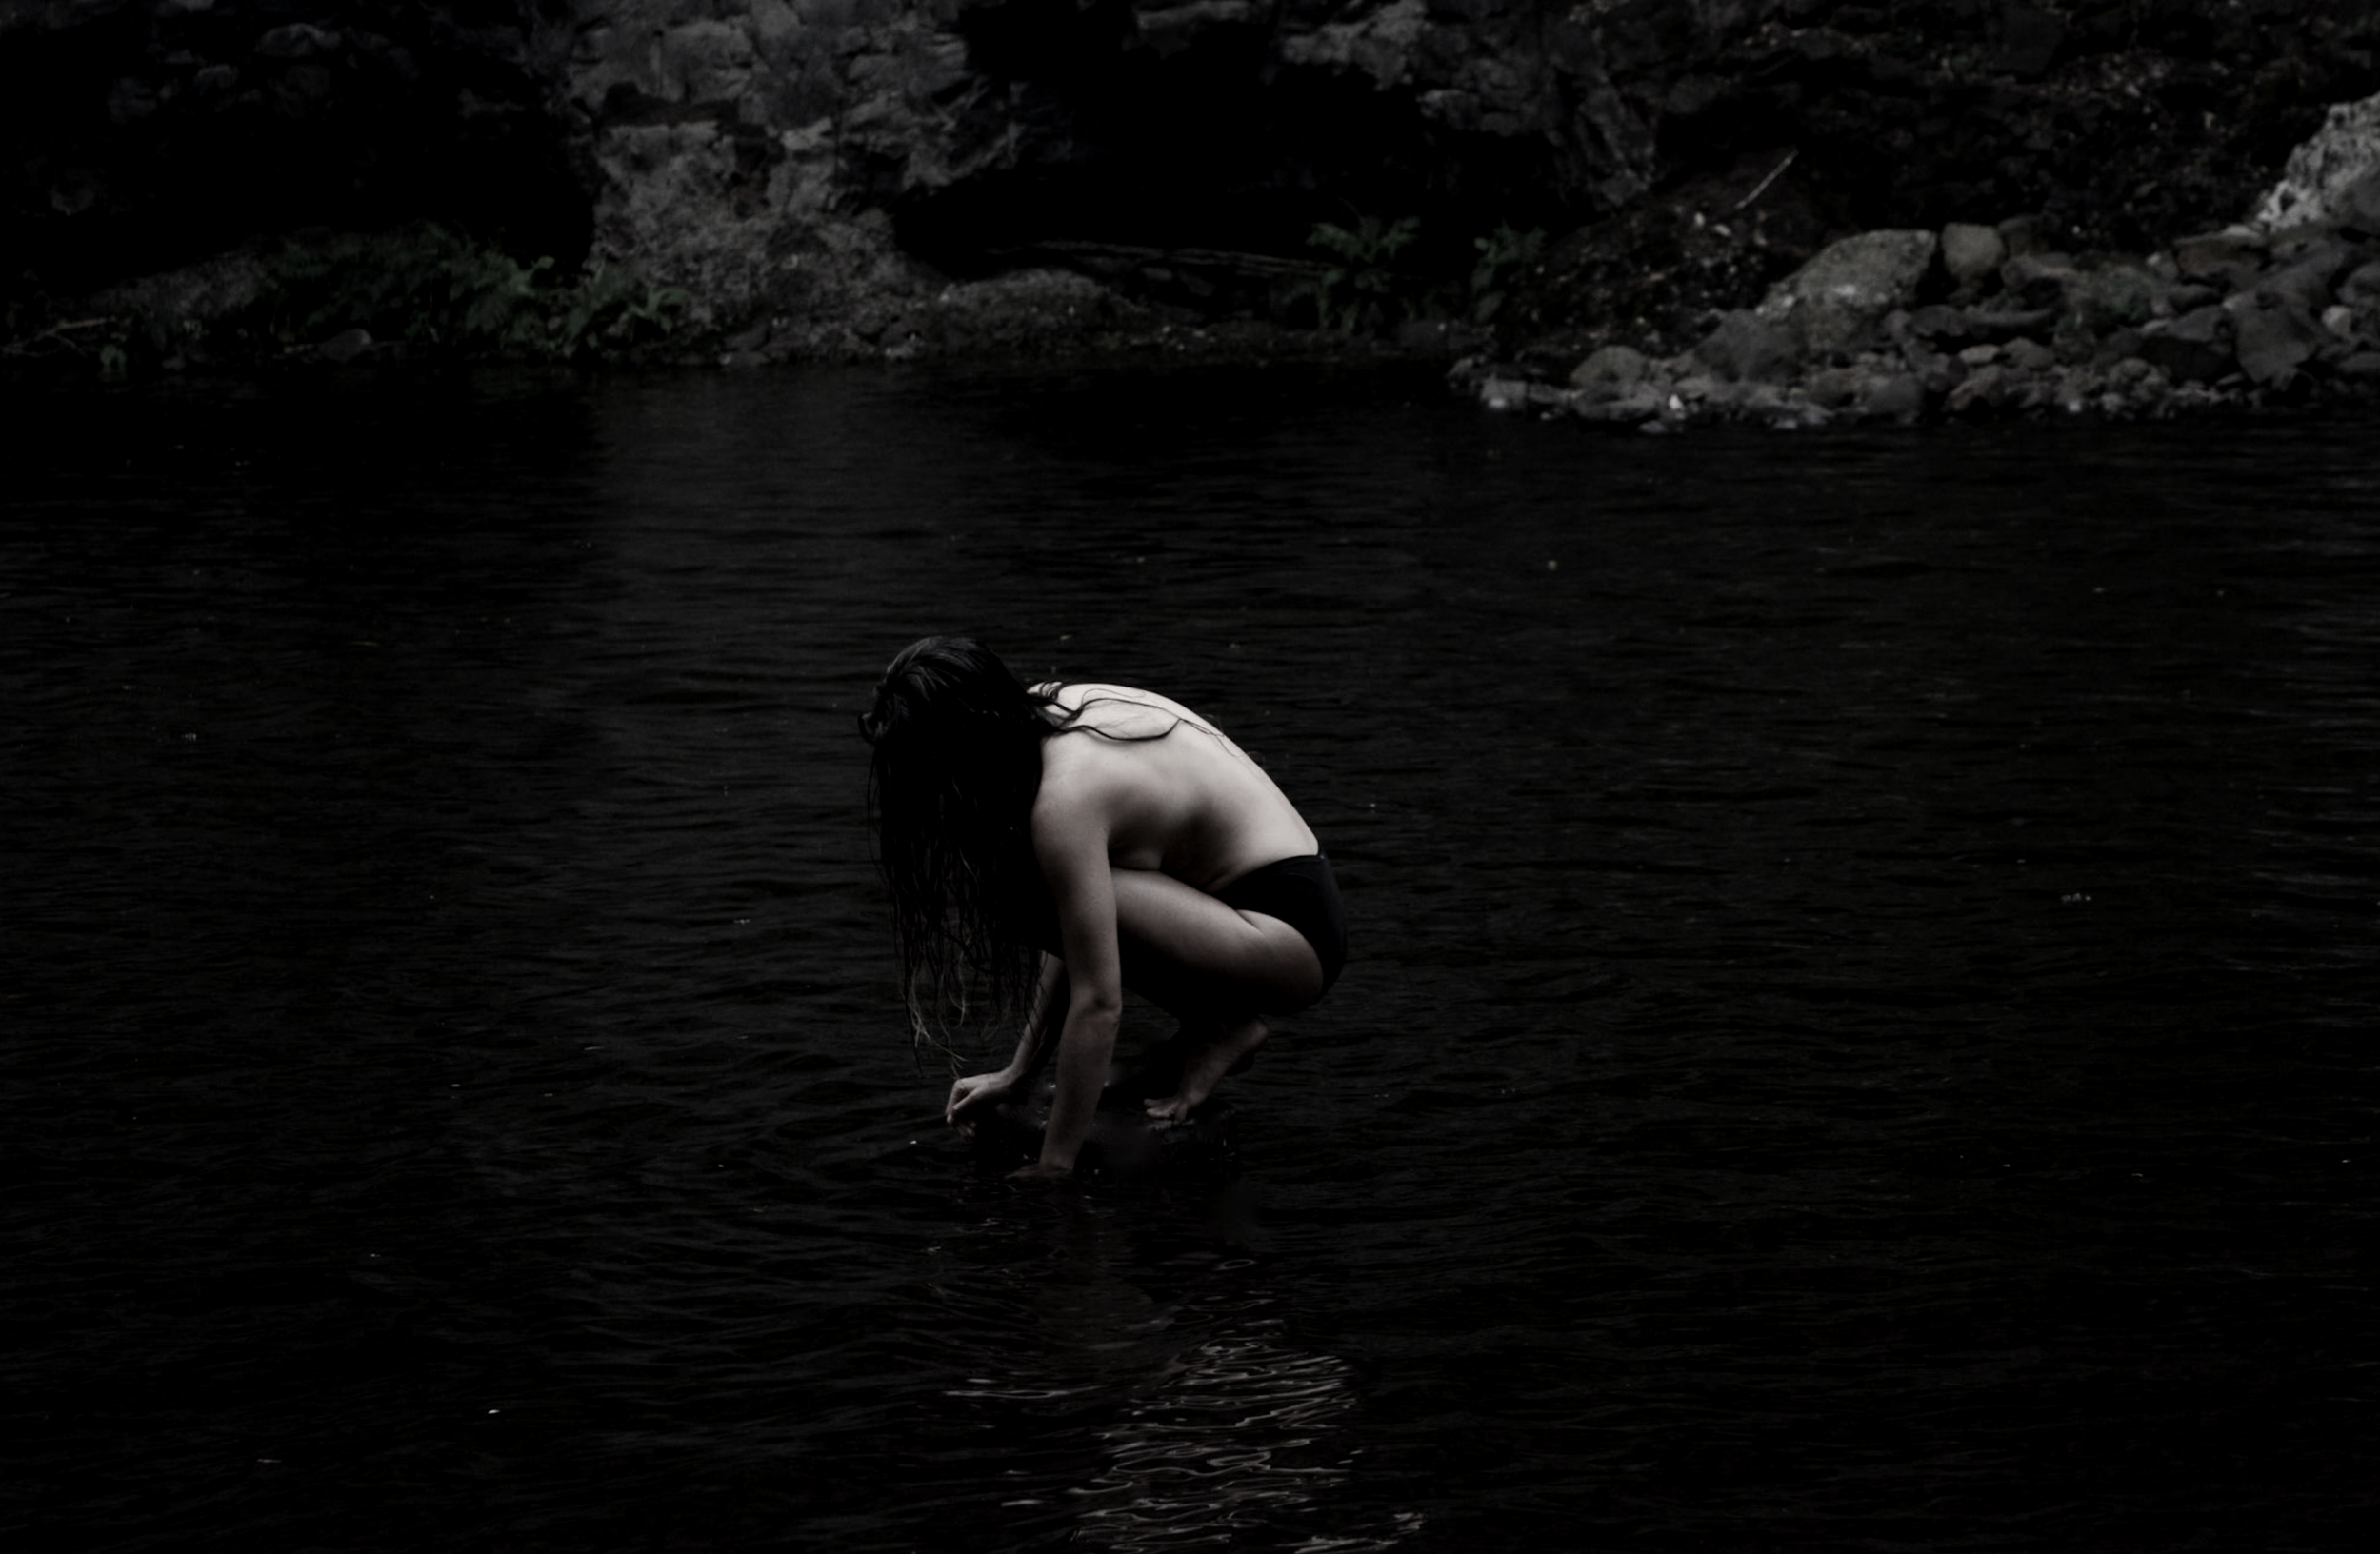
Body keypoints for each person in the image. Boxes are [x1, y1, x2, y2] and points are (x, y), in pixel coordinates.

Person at [858, 636, 1346, 1178]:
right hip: (1252, 908)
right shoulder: (1035, 713)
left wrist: (1055, 1165)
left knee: (1030, 886)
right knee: (1038, 888)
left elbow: (1099, 1001)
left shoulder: (1064, 800)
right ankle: (1216, 1024)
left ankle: (1221, 1024)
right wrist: (1019, 1072)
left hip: (1289, 931)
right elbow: (1072, 924)